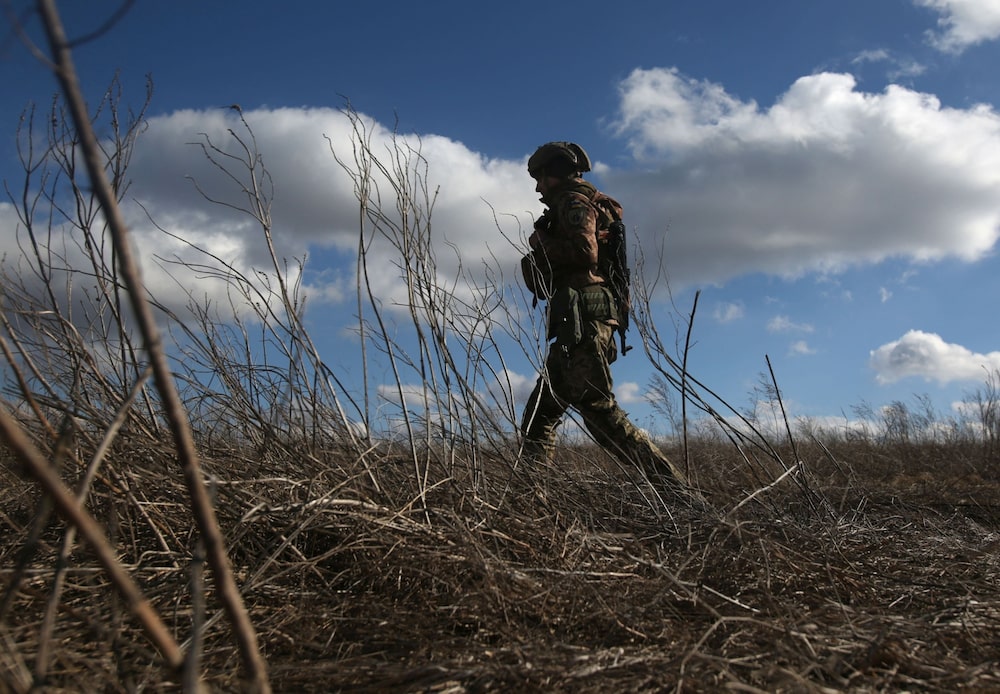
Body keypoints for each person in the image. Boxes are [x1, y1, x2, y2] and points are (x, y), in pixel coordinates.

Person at [518, 141, 695, 499]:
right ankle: (528, 501)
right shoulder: (574, 203)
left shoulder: (573, 202)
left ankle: (681, 495)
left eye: (540, 178)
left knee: (601, 415)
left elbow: (586, 252)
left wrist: (543, 245)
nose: (537, 187)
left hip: (583, 319)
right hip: (575, 321)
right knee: (539, 416)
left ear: (555, 173)